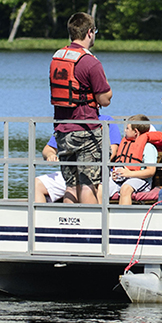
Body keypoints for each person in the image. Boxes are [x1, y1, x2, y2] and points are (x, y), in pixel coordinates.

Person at [49, 12, 113, 203]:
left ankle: (69, 228)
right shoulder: (90, 62)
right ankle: (91, 229)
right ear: (90, 32)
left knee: (70, 184)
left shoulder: (57, 58)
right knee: (88, 183)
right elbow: (104, 99)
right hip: (86, 130)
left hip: (62, 130)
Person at [34, 115, 122, 203]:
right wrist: (50, 155)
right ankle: (45, 216)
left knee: (92, 188)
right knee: (37, 184)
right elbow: (48, 149)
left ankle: (92, 216)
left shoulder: (106, 121)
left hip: (99, 173)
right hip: (71, 173)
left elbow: (112, 151)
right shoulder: (68, 123)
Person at [106, 115, 162, 205]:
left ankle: (123, 217)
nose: (125, 130)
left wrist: (130, 174)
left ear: (136, 132)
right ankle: (99, 216)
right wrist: (116, 173)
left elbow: (151, 171)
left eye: (127, 128)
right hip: (121, 178)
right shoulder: (125, 144)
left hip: (140, 180)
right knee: (101, 188)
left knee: (125, 189)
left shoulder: (148, 148)